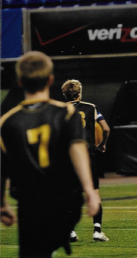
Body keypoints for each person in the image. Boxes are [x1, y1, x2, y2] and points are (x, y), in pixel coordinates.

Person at [0, 51, 99, 258]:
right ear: (50, 79)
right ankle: (59, 237)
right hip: (62, 198)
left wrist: (2, 203)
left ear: (19, 81)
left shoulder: (8, 121)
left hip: (29, 202)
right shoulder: (65, 113)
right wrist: (89, 189)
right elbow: (77, 148)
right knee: (48, 244)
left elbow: (3, 166)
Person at [61, 79, 111, 242]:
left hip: (68, 157)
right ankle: (97, 230)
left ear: (64, 94)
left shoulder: (58, 110)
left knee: (69, 194)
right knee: (94, 193)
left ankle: (70, 231)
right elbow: (106, 128)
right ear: (80, 93)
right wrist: (102, 144)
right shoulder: (90, 107)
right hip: (87, 155)